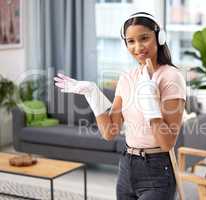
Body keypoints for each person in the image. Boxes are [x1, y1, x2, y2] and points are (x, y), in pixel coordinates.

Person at [54, 12, 186, 200]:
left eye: (144, 38)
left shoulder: (171, 77)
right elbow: (110, 132)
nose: (138, 47)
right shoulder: (127, 77)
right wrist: (92, 93)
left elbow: (167, 143)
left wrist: (149, 99)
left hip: (157, 170)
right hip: (127, 166)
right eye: (131, 41)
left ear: (159, 37)